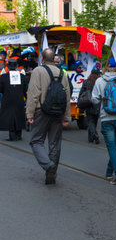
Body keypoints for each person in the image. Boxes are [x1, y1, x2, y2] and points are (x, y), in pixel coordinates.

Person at [26, 49, 71, 185]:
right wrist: (67, 117)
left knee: (36, 141)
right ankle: (51, 174)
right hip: (58, 113)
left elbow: (33, 94)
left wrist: (29, 113)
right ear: (55, 59)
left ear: (42, 59)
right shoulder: (63, 73)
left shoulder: (38, 71)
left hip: (41, 111)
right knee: (55, 144)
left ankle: (48, 165)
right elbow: (67, 97)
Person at [92, 57, 116, 185]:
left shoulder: (100, 81)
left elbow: (94, 99)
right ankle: (108, 172)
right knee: (115, 147)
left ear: (107, 67)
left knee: (112, 147)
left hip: (106, 117)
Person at [0, 59, 28, 141]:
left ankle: (12, 135)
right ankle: (18, 134)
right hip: (19, 98)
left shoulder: (3, 77)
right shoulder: (22, 77)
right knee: (19, 114)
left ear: (8, 67)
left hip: (8, 98)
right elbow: (25, 88)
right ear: (16, 66)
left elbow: (0, 89)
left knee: (10, 116)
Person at [79, 69, 102, 144]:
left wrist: (79, 103)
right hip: (97, 103)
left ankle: (93, 135)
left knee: (90, 121)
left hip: (88, 103)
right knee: (94, 121)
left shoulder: (86, 82)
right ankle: (91, 137)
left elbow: (82, 92)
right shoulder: (99, 82)